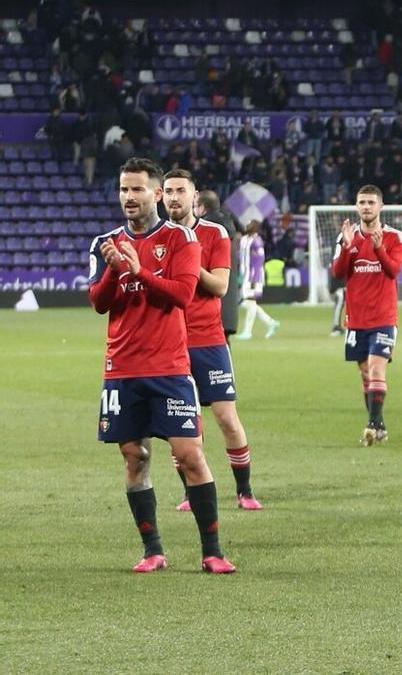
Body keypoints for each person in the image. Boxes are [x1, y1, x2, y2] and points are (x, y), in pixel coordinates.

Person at [87, 158, 235, 574]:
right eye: (123, 189)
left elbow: (184, 295)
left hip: (169, 367)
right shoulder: (106, 242)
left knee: (190, 455)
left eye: (137, 189)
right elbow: (99, 304)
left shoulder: (181, 239)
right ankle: (153, 549)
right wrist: (117, 271)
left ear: (156, 192)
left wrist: (140, 270)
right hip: (122, 368)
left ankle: (213, 550)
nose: (128, 197)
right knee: (134, 457)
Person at [162, 169, 262, 512]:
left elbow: (220, 286)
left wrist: (190, 263)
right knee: (182, 425)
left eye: (181, 191)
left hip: (208, 339)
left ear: (195, 198)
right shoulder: (155, 237)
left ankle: (244, 491)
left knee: (226, 417)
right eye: (168, 191)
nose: (174, 197)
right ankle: (192, 493)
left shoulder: (215, 234)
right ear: (161, 197)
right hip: (170, 343)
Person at [330, 184, 402, 446]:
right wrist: (347, 248)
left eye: (371, 202)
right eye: (362, 202)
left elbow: (394, 270)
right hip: (357, 320)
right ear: (356, 206)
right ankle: (381, 424)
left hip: (384, 318)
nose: (366, 207)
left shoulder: (395, 237)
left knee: (376, 368)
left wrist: (378, 249)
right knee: (365, 372)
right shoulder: (346, 237)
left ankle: (372, 425)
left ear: (380, 206)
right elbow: (338, 273)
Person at [194, 190, 241, 338]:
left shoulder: (207, 232)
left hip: (210, 310)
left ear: (201, 208)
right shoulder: (229, 228)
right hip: (228, 308)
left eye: (195, 206)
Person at [234, 221, 281, 340]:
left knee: (249, 302)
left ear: (255, 228)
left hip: (253, 276)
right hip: (244, 275)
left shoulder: (257, 241)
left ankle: (247, 332)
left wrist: (255, 277)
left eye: (249, 224)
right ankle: (271, 323)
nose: (246, 226)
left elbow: (260, 259)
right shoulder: (244, 239)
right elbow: (241, 256)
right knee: (247, 303)